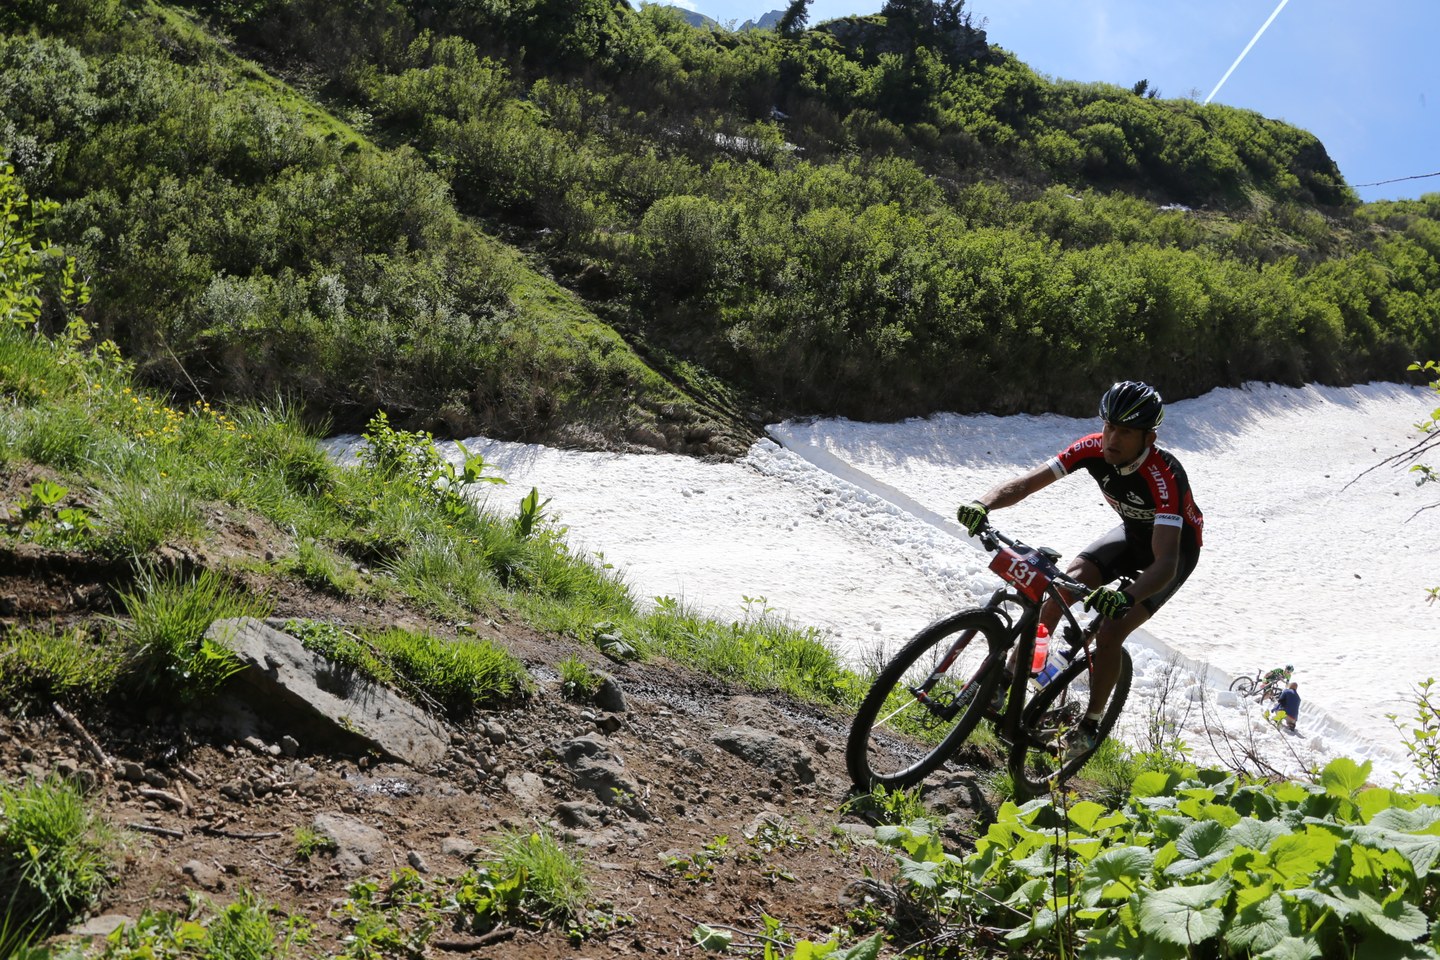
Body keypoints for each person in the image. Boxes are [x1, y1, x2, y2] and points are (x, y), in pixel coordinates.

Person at [955, 380, 1204, 759]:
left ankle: (1090, 725)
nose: (1112, 439)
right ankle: (1006, 680)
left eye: (1125, 431)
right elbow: (1027, 483)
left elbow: (1166, 562)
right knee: (1061, 588)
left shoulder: (1163, 475)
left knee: (1111, 631)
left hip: (1171, 554)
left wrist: (1125, 597)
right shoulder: (1091, 448)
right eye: (1109, 426)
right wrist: (983, 503)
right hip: (1131, 535)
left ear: (1149, 438)